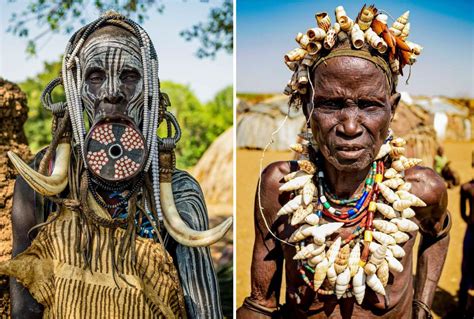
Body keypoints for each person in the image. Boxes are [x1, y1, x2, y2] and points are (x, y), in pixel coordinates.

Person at [1, 12, 231, 318]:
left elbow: (204, 311)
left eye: (129, 76)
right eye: (95, 77)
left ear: (150, 90)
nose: (113, 92)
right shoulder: (41, 178)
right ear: (75, 91)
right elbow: (25, 309)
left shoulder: (178, 192)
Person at [237, 5, 450, 318]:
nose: (350, 126)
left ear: (392, 109)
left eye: (368, 106)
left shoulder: (421, 190)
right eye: (332, 104)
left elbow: (439, 234)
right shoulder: (279, 188)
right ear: (307, 104)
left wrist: (421, 305)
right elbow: (259, 304)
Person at [460, 180, 474, 315]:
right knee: (467, 267)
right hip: (471, 232)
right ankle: (462, 307)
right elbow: (463, 213)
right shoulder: (467, 188)